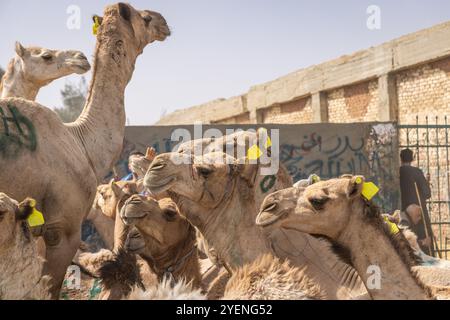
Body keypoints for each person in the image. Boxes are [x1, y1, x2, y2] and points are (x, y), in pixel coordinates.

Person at [399, 148, 434, 255]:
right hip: (419, 211)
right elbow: (427, 193)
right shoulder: (417, 172)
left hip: (403, 211)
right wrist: (427, 183)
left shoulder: (398, 172)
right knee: (425, 242)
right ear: (412, 158)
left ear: (401, 159)